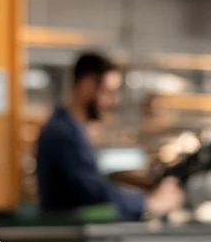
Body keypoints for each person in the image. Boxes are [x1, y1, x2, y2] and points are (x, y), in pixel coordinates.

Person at [36, 52, 183, 220]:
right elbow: (95, 194)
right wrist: (148, 203)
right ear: (87, 86)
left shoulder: (70, 129)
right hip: (69, 238)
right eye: (109, 92)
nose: (114, 101)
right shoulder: (62, 134)